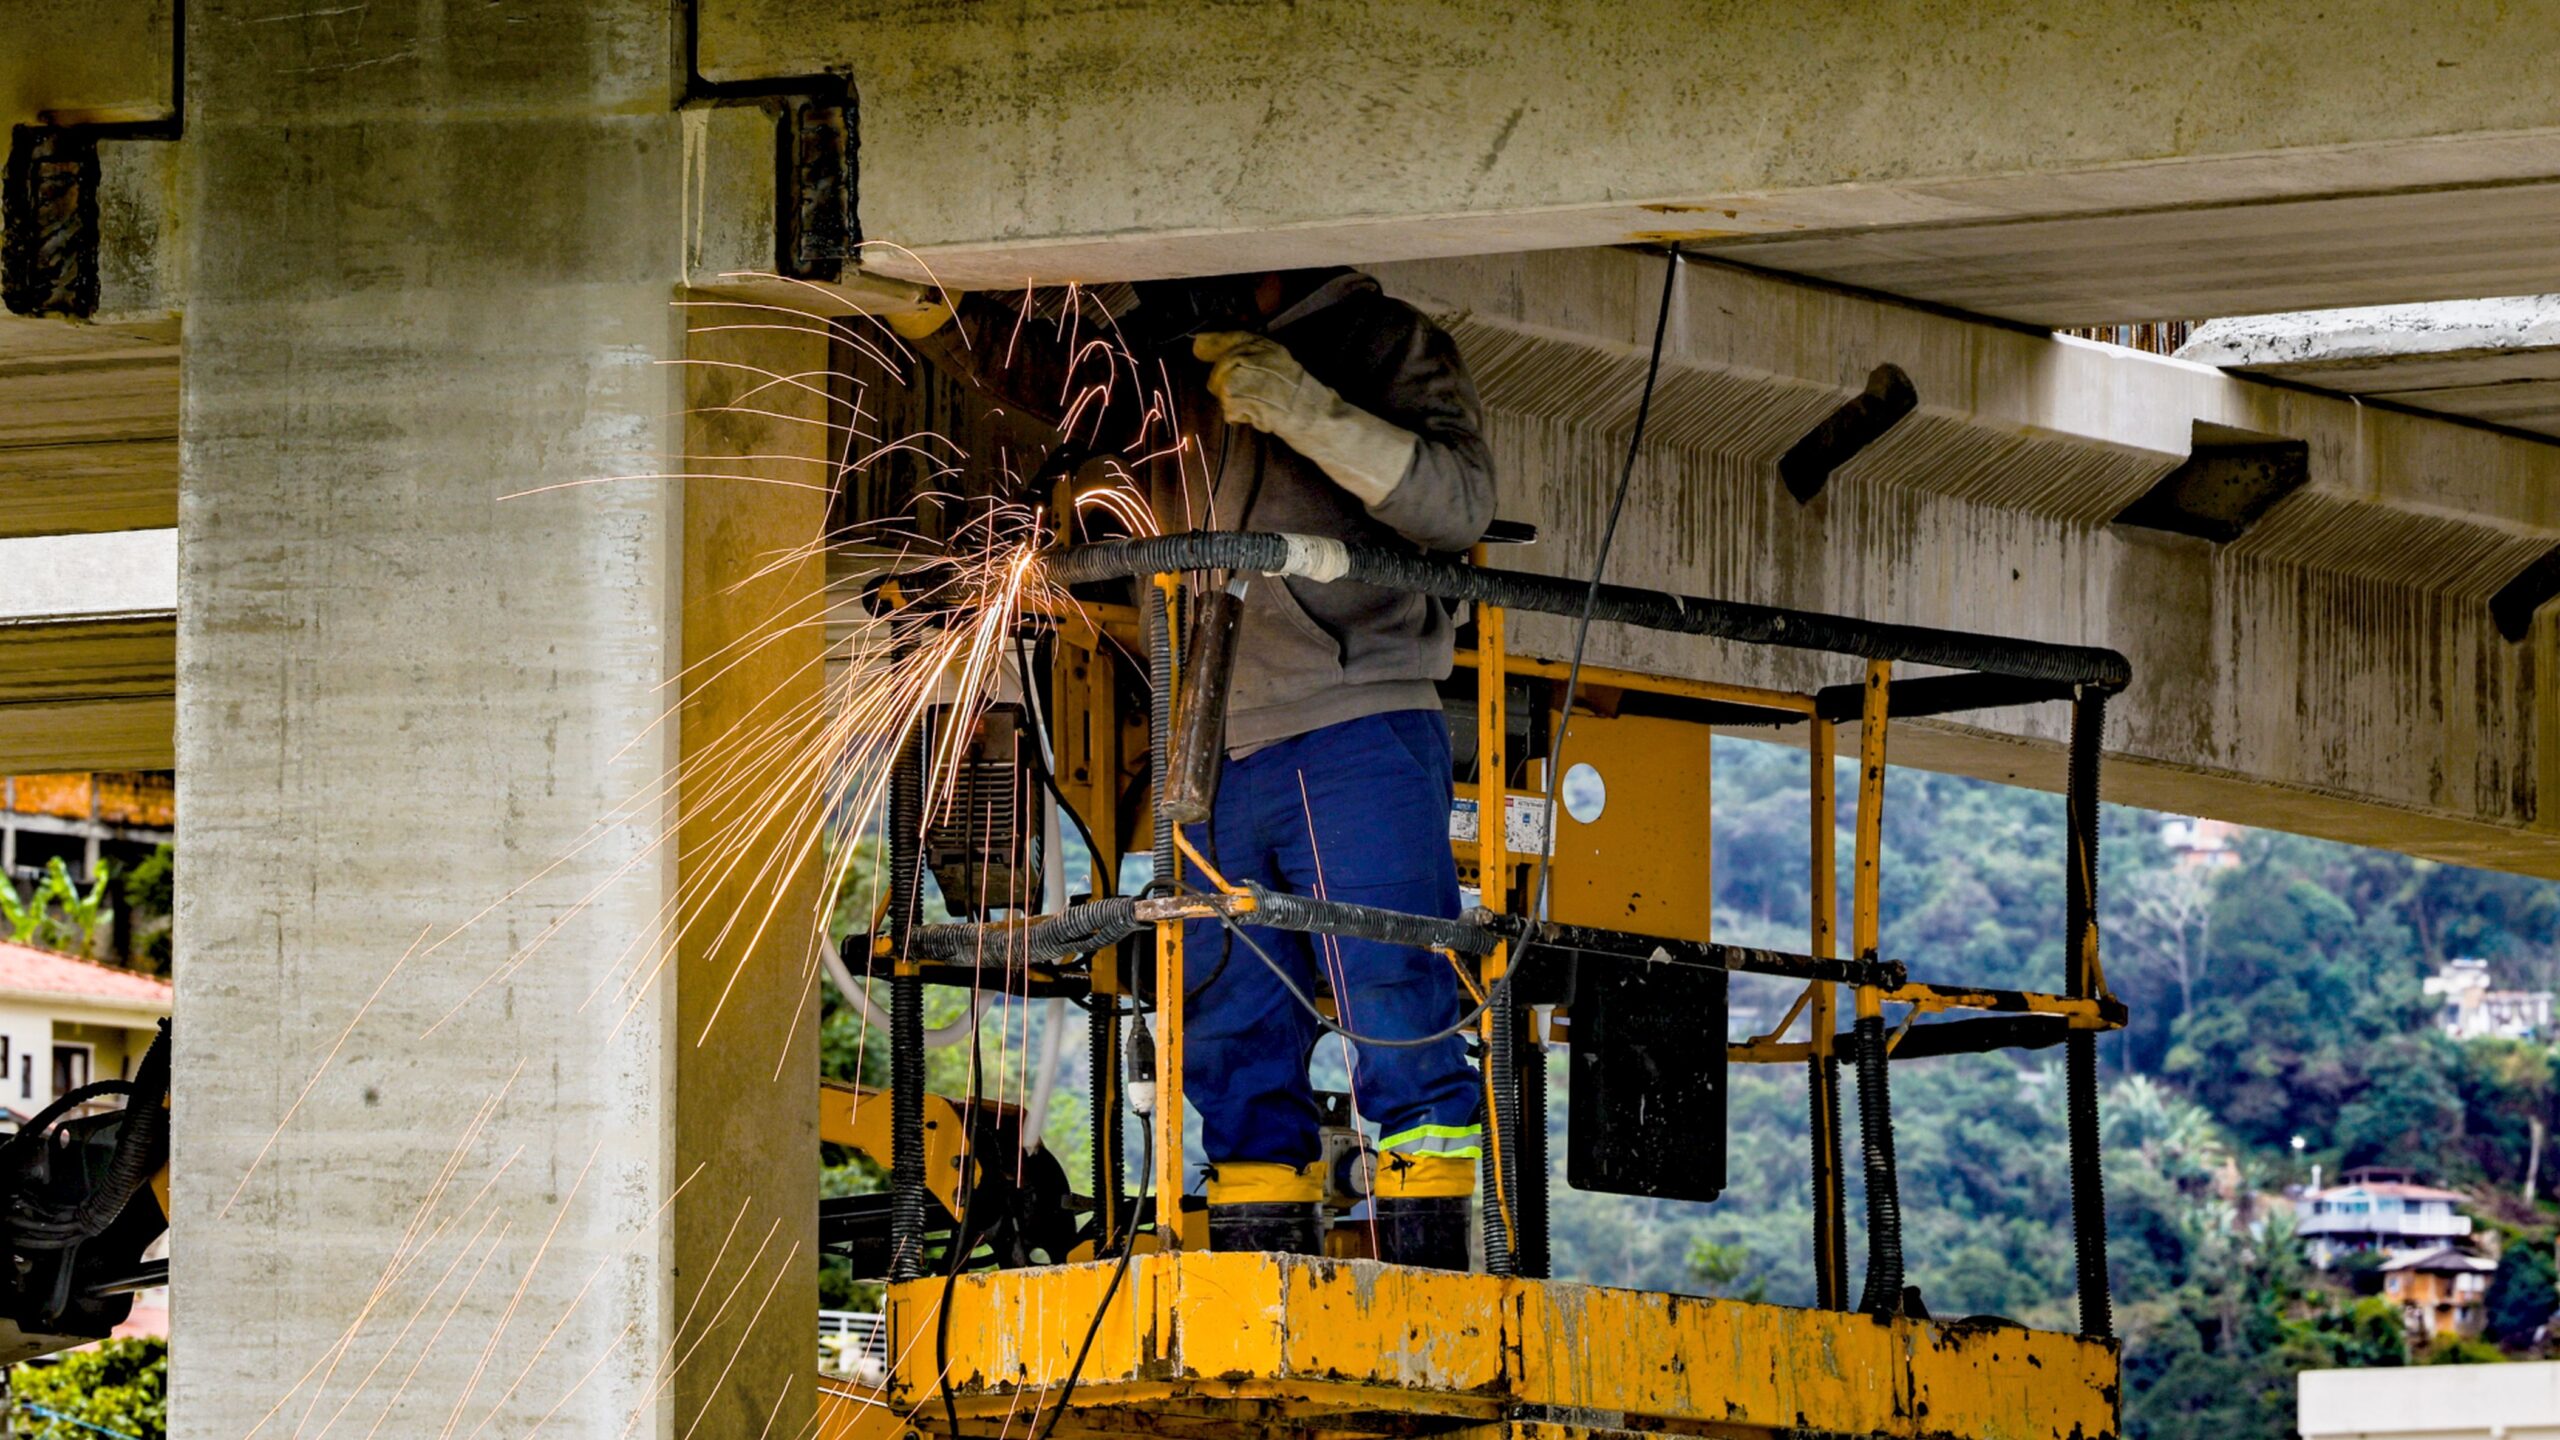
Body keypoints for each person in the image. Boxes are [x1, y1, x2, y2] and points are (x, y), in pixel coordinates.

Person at [900, 268, 1496, 1267]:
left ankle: (1427, 1283)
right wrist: (929, 309)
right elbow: (1061, 377)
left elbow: (1457, 507)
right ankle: (1261, 1270)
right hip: (1208, 740)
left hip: (1355, 725)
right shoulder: (1168, 356)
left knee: (1393, 999)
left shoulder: (1382, 339)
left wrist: (1314, 414)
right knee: (1228, 1025)